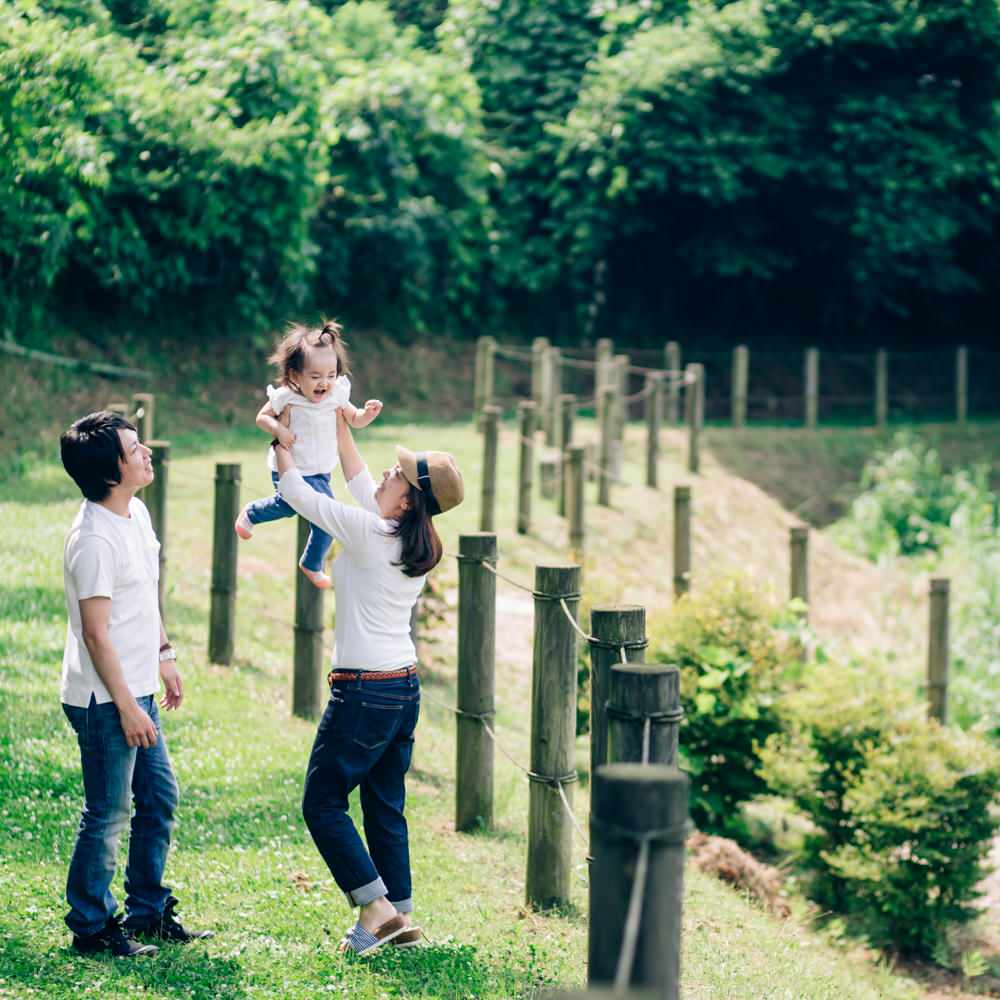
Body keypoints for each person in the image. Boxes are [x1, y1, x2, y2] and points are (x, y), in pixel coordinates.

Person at [272, 408, 463, 956]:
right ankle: (398, 917)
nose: (385, 472)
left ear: (406, 499)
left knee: (322, 803)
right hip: (402, 688)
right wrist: (336, 419)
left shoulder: (365, 531)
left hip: (364, 690)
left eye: (397, 474)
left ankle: (374, 909)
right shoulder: (405, 537)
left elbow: (297, 493)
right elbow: (359, 480)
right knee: (384, 802)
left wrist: (283, 435)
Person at [59, 411, 210, 957]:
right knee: (108, 811)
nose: (147, 451)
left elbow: (144, 596)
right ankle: (93, 927)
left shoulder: (135, 514)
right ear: (110, 470)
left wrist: (164, 653)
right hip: (105, 698)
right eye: (134, 447)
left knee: (158, 796)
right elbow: (97, 636)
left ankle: (147, 912)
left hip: (137, 687)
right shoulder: (93, 540)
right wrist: (126, 706)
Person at [235, 320, 383, 589]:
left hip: (319, 472)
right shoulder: (286, 396)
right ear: (294, 376)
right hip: (289, 467)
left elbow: (354, 419)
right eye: (315, 377)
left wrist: (367, 414)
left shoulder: (336, 395)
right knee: (291, 506)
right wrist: (280, 430)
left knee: (326, 520)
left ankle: (311, 563)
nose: (323, 383)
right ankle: (252, 513)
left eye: (330, 375)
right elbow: (261, 418)